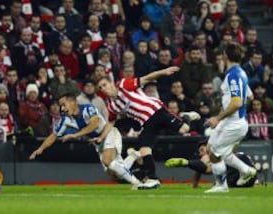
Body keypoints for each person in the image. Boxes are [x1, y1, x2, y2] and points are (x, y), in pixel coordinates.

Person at [97, 66, 193, 188]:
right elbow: (111, 122)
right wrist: (101, 137)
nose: (104, 89)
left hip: (156, 110)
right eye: (100, 88)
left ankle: (186, 117)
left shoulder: (123, 84)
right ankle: (153, 179)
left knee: (184, 129)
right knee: (144, 149)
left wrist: (163, 72)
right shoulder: (111, 105)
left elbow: (146, 79)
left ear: (111, 82)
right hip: (146, 122)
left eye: (105, 85)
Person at [28, 93, 148, 190]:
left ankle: (137, 183)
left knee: (107, 161)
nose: (62, 108)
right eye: (61, 106)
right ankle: (133, 156)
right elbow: (53, 136)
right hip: (98, 142)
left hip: (109, 133)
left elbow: (94, 124)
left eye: (64, 104)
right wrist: (40, 149)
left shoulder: (88, 109)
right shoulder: (66, 120)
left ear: (73, 102)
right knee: (114, 173)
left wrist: (75, 135)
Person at [203, 43, 257, 193]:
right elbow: (250, 96)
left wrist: (218, 118)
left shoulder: (234, 75)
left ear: (225, 56)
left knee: (215, 152)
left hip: (233, 123)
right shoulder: (240, 73)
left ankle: (221, 185)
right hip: (232, 121)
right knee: (212, 149)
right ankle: (246, 170)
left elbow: (237, 102)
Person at [165, 141, 257, 188]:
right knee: (218, 180)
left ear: (208, 146)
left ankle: (184, 162)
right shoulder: (220, 151)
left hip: (239, 171)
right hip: (245, 179)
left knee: (212, 167)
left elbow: (206, 168)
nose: (201, 153)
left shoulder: (215, 150)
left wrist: (187, 163)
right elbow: (200, 167)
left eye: (202, 150)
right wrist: (195, 184)